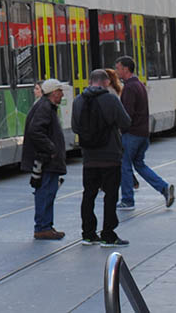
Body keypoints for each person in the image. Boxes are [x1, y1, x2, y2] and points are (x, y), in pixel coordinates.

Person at [71, 68, 132, 246]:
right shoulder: (111, 99)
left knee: (88, 194)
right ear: (106, 82)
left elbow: (75, 127)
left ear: (90, 82)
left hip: (89, 157)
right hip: (110, 155)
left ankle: (88, 234)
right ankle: (108, 234)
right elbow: (126, 122)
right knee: (110, 195)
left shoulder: (78, 100)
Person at [114, 56, 174, 210]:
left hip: (131, 134)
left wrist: (119, 129)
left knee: (124, 165)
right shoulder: (139, 84)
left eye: (118, 68)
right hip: (143, 133)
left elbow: (127, 114)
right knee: (139, 164)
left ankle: (127, 199)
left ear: (126, 69)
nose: (116, 71)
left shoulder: (129, 87)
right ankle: (163, 188)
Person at [21, 78, 68, 240]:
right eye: (60, 91)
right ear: (54, 93)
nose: (62, 95)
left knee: (48, 191)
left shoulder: (45, 106)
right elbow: (36, 131)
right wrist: (52, 149)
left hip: (47, 159)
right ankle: (42, 227)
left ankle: (46, 225)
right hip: (47, 160)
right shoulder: (45, 108)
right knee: (46, 192)